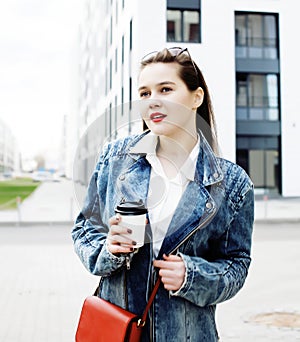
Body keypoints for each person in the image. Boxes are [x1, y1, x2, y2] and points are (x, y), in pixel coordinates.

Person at [72, 47, 254, 341]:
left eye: (165, 89)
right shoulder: (113, 159)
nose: (152, 101)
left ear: (196, 97)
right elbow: (84, 231)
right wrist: (109, 249)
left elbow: (236, 265)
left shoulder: (233, 184)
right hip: (116, 331)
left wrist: (192, 276)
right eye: (144, 93)